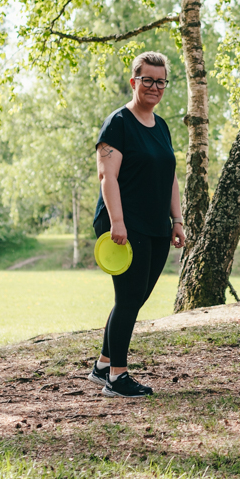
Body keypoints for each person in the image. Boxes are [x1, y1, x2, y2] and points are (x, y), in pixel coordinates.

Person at [89, 52, 186, 398]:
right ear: (134, 82)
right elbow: (107, 177)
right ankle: (118, 377)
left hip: (156, 225)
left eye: (160, 81)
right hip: (124, 228)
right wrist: (117, 222)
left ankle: (103, 365)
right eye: (147, 80)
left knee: (134, 299)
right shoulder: (118, 123)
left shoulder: (161, 126)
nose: (154, 87)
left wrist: (177, 219)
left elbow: (171, 176)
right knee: (128, 298)